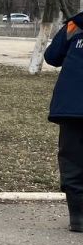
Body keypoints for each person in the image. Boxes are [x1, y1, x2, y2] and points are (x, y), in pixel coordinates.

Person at [44, 12, 83, 231]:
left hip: (71, 106)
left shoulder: (74, 25)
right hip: (71, 106)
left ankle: (78, 216)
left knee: (72, 160)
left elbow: (52, 57)